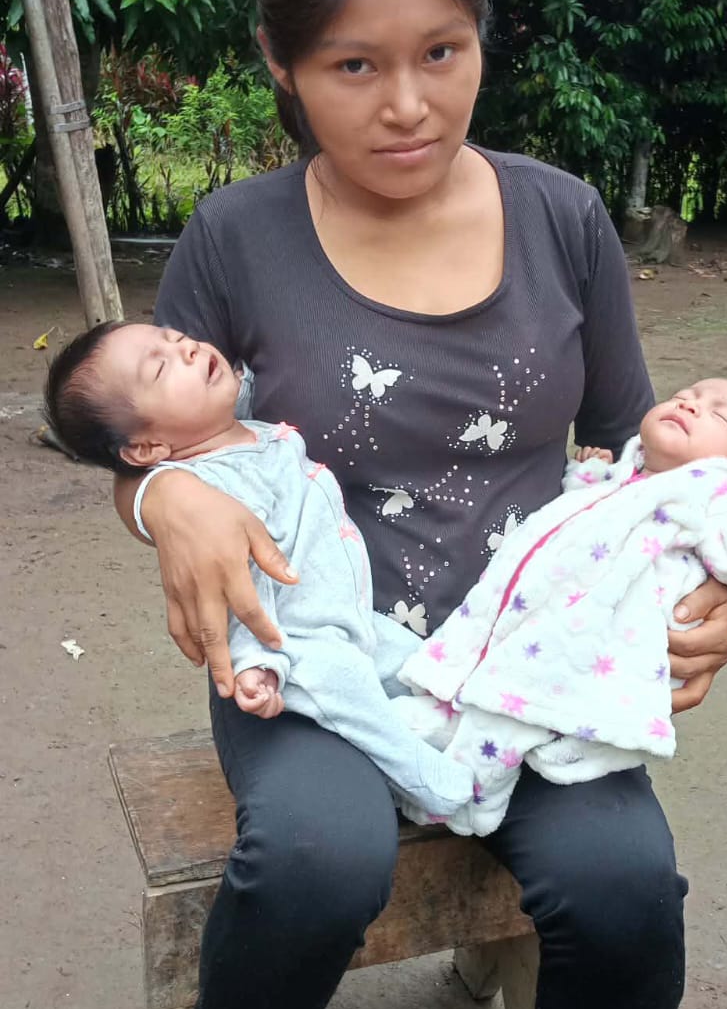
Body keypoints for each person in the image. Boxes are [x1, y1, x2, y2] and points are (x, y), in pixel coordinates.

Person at [111, 0, 727, 1009]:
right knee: (320, 857)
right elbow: (148, 426)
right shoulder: (234, 239)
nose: (405, 103)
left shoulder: (561, 218)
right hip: (319, 654)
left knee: (624, 883)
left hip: (530, 663)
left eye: (440, 54)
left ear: (481, 41)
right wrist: (167, 500)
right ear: (282, 63)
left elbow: (648, 449)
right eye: (353, 63)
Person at [44, 320, 475, 821]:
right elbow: (237, 589)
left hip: (351, 619)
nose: (183, 347)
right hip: (296, 644)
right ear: (146, 449)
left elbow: (245, 376)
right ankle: (429, 781)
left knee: (424, 666)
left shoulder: (237, 430)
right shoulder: (213, 490)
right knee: (355, 699)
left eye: (172, 336)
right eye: (160, 366)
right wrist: (256, 664)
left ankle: (474, 738)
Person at [394, 377, 727, 836]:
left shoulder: (721, 494)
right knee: (480, 702)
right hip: (545, 630)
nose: (690, 405)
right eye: (685, 396)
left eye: (719, 414)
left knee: (506, 723)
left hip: (593, 646)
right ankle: (441, 737)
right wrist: (590, 474)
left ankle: (467, 802)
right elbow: (590, 513)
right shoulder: (635, 477)